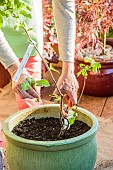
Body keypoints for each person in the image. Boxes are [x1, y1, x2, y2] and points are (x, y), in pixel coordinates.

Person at [0, 0, 79, 110]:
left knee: (30, 107)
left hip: (26, 42)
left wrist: (68, 70)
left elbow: (64, 4)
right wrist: (14, 69)